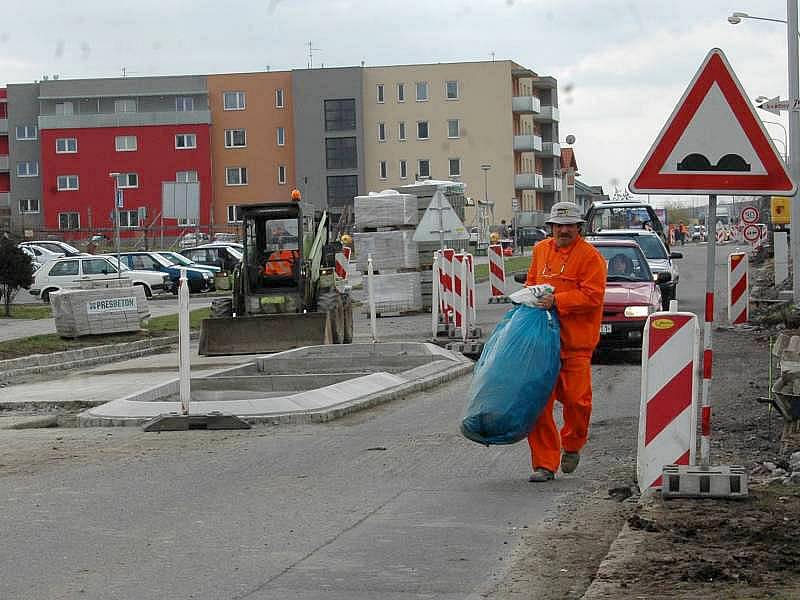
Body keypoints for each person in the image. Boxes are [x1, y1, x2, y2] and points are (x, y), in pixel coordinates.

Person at [523, 201, 607, 482]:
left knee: (577, 402)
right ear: (551, 228)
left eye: (569, 225)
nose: (563, 230)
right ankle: (545, 464)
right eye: (558, 225)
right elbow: (531, 285)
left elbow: (592, 296)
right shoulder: (540, 250)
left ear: (579, 228)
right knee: (538, 404)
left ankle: (572, 444)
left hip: (576, 345)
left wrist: (556, 301)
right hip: (542, 344)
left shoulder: (591, 257)